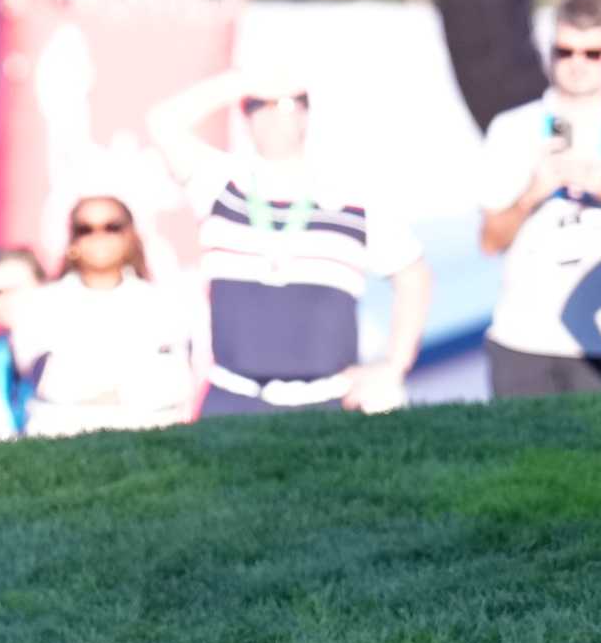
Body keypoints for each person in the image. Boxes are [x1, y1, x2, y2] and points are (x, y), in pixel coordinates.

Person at [145, 67, 433, 416]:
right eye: (256, 107)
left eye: (284, 105)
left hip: (327, 402)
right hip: (234, 399)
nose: (270, 117)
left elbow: (413, 276)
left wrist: (394, 364)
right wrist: (242, 82)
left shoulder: (351, 198)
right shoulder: (221, 183)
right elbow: (162, 122)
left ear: (305, 115)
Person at [478, 0, 601, 394]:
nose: (577, 64)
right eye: (566, 51)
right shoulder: (512, 129)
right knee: (520, 458)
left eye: (591, 53)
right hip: (521, 341)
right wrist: (531, 194)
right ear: (550, 52)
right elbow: (490, 241)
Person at [12, 197, 192, 437]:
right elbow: (49, 382)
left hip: (149, 439)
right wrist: (129, 372)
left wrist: (88, 372)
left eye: (112, 227)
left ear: (131, 237)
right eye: (85, 229)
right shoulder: (40, 305)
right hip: (62, 441)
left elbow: (175, 384)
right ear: (72, 241)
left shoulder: (162, 305)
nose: (99, 236)